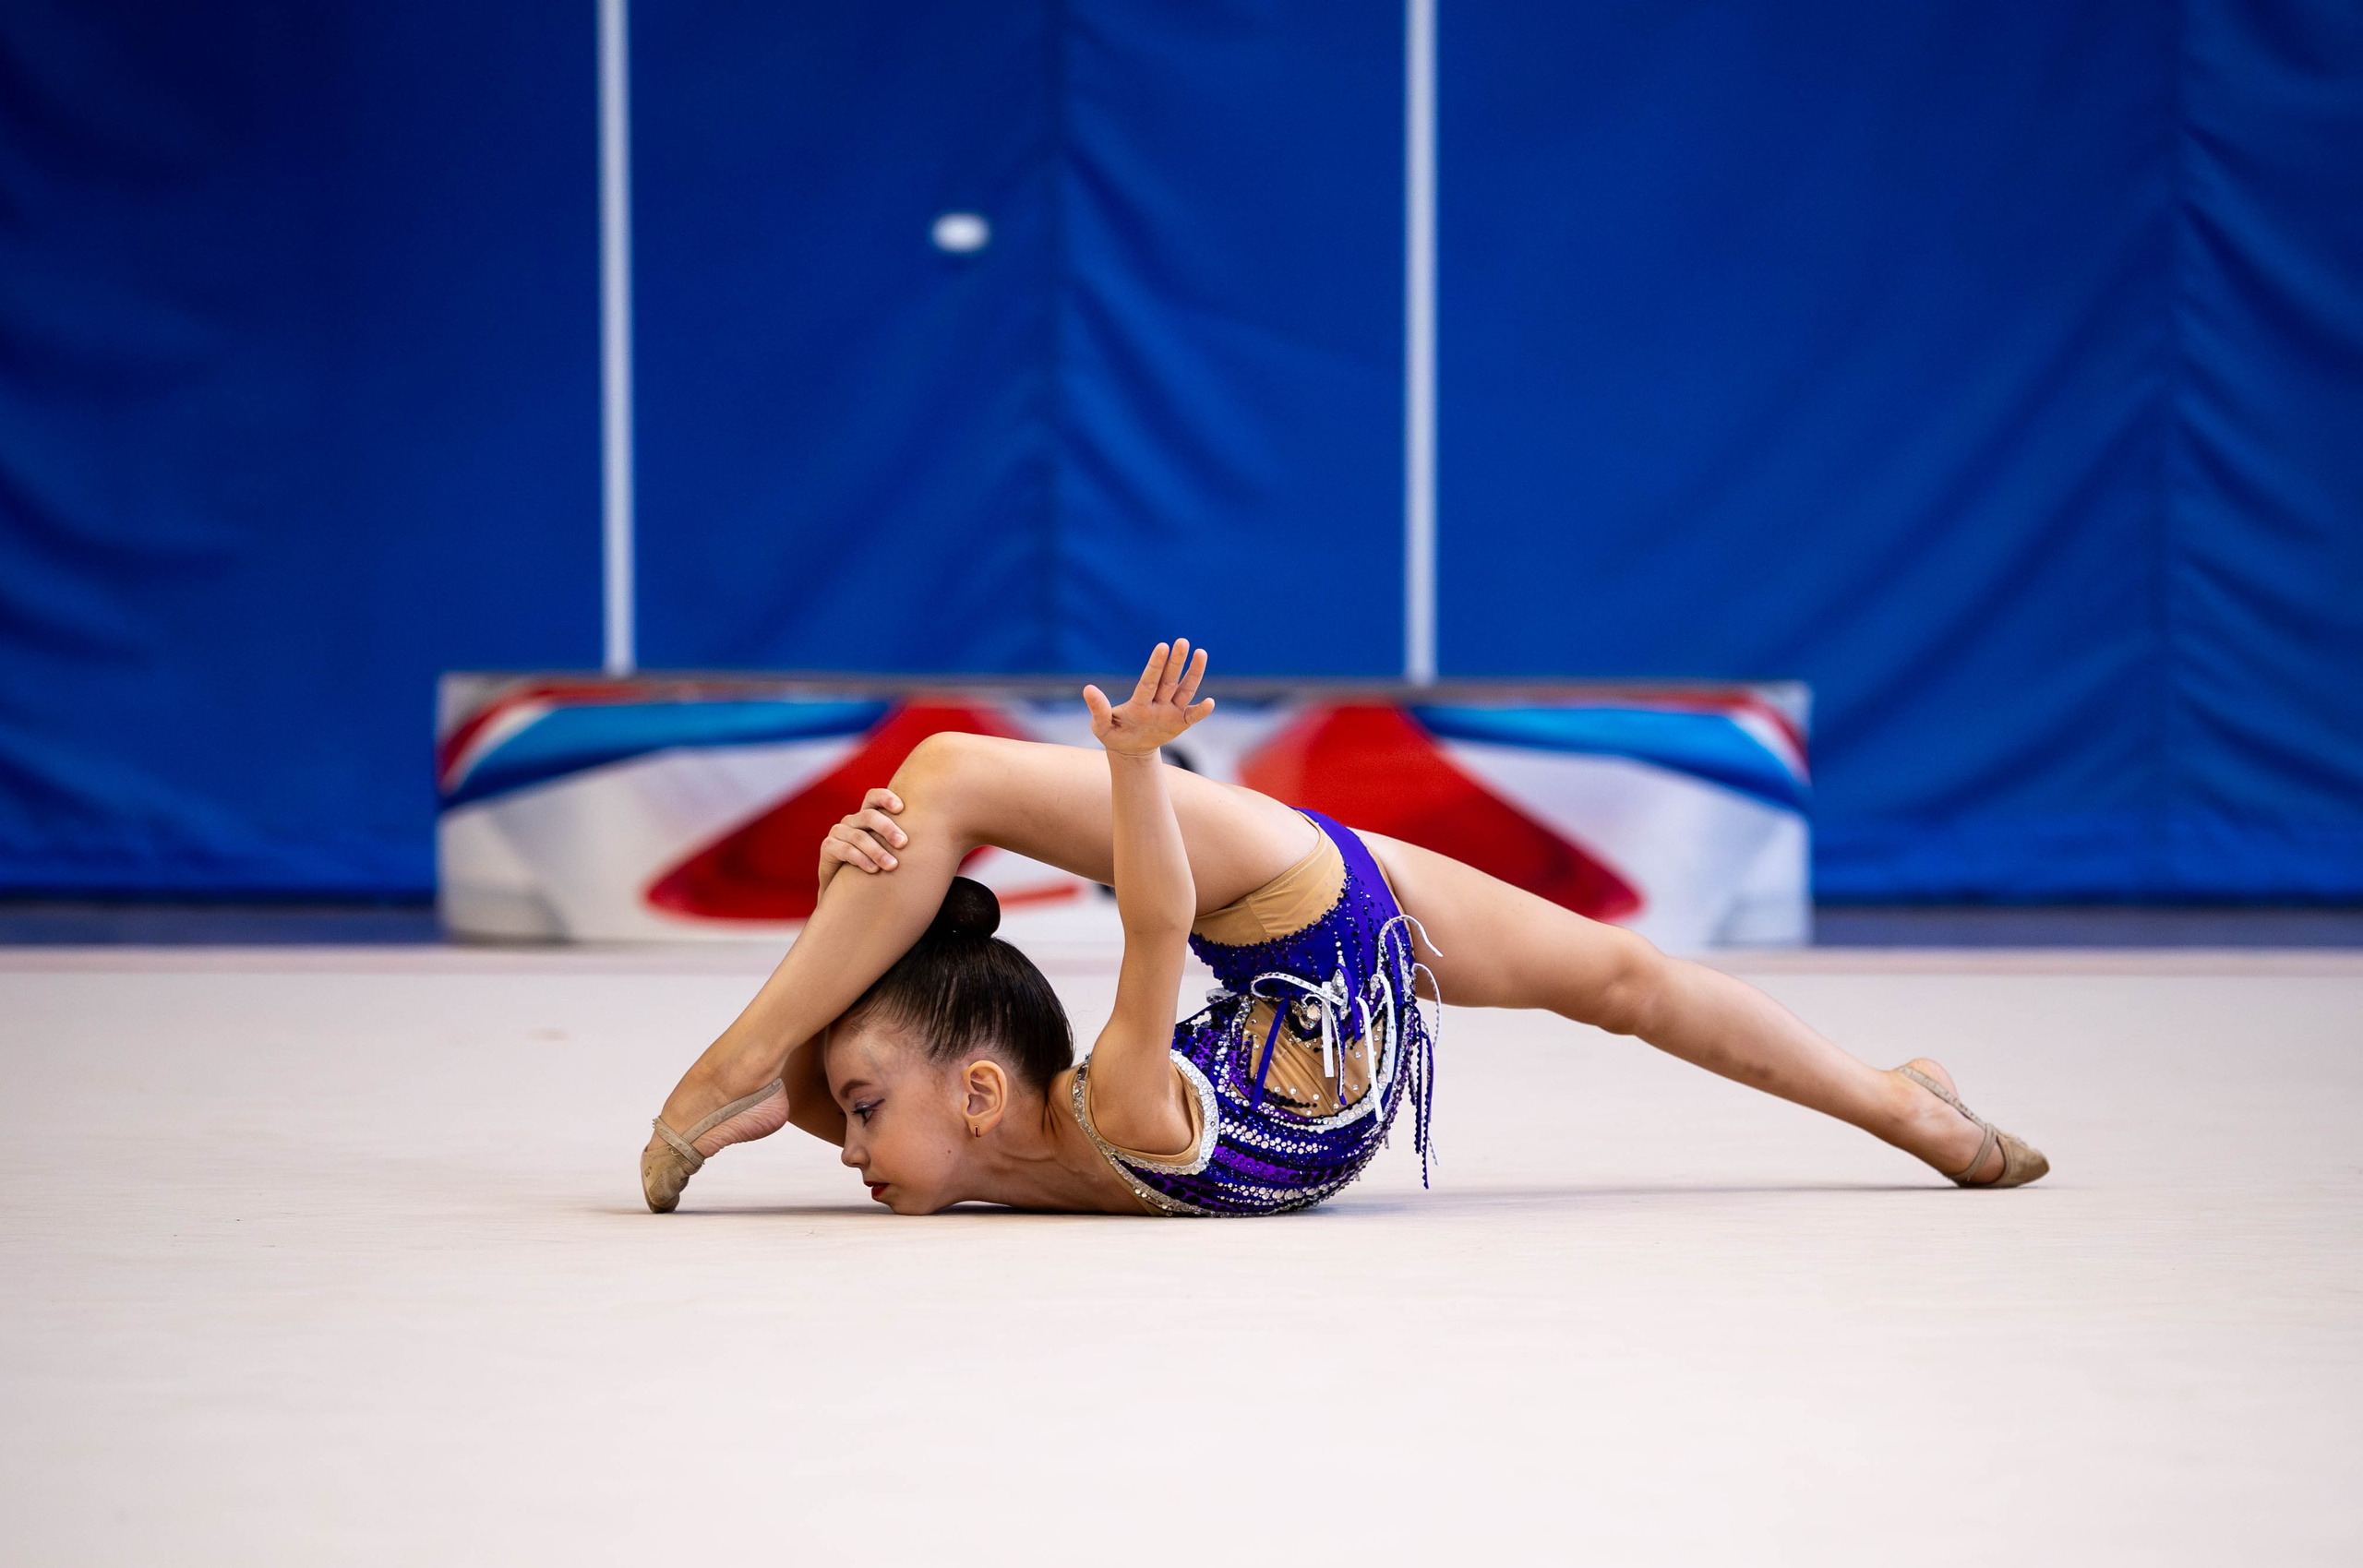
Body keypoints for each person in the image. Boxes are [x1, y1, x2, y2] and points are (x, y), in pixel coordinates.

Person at [641, 639, 2047, 1216]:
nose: (848, 1145)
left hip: (1285, 921)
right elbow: (863, 1092)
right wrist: (852, 889)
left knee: (946, 776)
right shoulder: (964, 1147)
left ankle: (1907, 1118)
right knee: (1620, 976)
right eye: (852, 1112)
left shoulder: (1106, 1106)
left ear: (983, 1086)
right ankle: (1902, 1096)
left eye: (858, 1111)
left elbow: (1153, 930)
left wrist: (1141, 767)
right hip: (1337, 987)